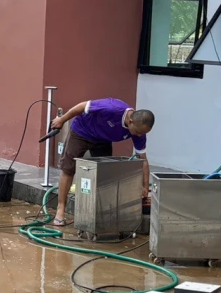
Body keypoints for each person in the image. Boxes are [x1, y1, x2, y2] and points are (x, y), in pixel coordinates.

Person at [48, 98, 154, 228]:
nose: (139, 135)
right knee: (68, 169)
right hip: (82, 131)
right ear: (130, 121)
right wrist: (61, 120)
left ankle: (101, 213)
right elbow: (82, 106)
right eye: (138, 132)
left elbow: (143, 159)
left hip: (103, 139)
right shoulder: (112, 108)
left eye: (142, 133)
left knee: (105, 174)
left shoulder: (139, 133)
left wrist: (144, 187)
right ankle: (60, 210)